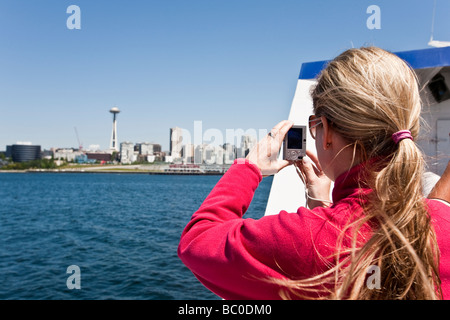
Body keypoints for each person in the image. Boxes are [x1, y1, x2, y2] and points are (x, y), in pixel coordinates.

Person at [178, 47, 450, 300]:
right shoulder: (441, 219)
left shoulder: (307, 239)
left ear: (327, 131)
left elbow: (197, 241)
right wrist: (325, 204)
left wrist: (249, 168)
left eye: (315, 125)